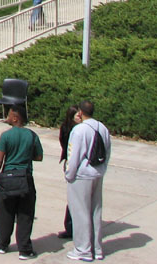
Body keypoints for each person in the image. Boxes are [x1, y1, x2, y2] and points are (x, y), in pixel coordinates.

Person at [0, 103, 43, 258]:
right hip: (25, 178)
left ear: (15, 118)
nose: (6, 117)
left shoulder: (6, 136)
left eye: (8, 114)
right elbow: (39, 157)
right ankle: (25, 249)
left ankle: (2, 244)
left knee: (4, 213)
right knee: (25, 214)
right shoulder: (32, 135)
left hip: (7, 178)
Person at [65, 100, 111, 262]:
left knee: (80, 213)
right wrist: (102, 170)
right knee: (95, 212)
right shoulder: (102, 128)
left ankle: (83, 250)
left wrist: (69, 175)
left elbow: (74, 156)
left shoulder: (79, 130)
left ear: (80, 112)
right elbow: (107, 151)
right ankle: (97, 249)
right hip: (98, 173)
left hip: (82, 176)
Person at [57, 105, 81, 242]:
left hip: (72, 163)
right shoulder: (70, 130)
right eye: (77, 115)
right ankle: (70, 227)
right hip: (71, 164)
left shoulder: (80, 129)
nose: (80, 117)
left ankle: (73, 226)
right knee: (73, 197)